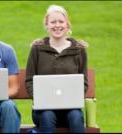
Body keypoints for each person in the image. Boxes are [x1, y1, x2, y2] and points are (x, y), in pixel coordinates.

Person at [25, 5, 88, 133]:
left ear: (67, 25)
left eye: (61, 21)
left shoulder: (79, 50)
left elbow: (84, 82)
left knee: (76, 117)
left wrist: (74, 97)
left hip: (70, 108)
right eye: (53, 22)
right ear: (47, 25)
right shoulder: (37, 49)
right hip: (43, 110)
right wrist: (39, 99)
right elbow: (29, 81)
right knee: (48, 116)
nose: (57, 25)